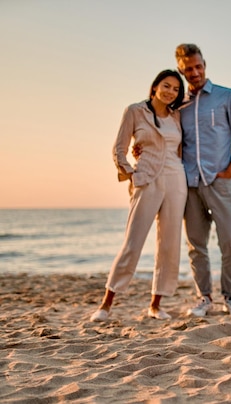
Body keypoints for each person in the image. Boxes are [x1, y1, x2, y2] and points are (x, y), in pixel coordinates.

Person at [90, 70, 187, 322]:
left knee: (169, 244)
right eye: (166, 86)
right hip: (146, 180)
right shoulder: (135, 110)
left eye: (176, 89)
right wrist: (131, 173)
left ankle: (156, 304)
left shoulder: (176, 116)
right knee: (133, 242)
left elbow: (175, 150)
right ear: (155, 86)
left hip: (176, 180)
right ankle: (106, 303)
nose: (170, 92)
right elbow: (118, 149)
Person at [175, 43, 231, 316]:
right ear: (180, 70)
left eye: (198, 66)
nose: (194, 72)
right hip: (190, 184)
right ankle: (204, 298)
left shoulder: (226, 96)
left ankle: (230, 296)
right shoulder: (179, 104)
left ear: (204, 64)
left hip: (220, 181)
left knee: (229, 241)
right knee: (196, 245)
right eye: (188, 69)